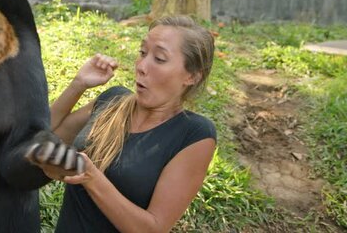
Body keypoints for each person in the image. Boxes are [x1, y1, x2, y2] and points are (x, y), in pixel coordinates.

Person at [35, 15, 217, 233]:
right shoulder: (112, 101)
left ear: (192, 76)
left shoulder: (194, 134)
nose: (141, 65)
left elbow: (152, 229)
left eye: (159, 59)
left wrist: (91, 177)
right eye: (142, 53)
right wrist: (78, 85)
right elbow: (43, 136)